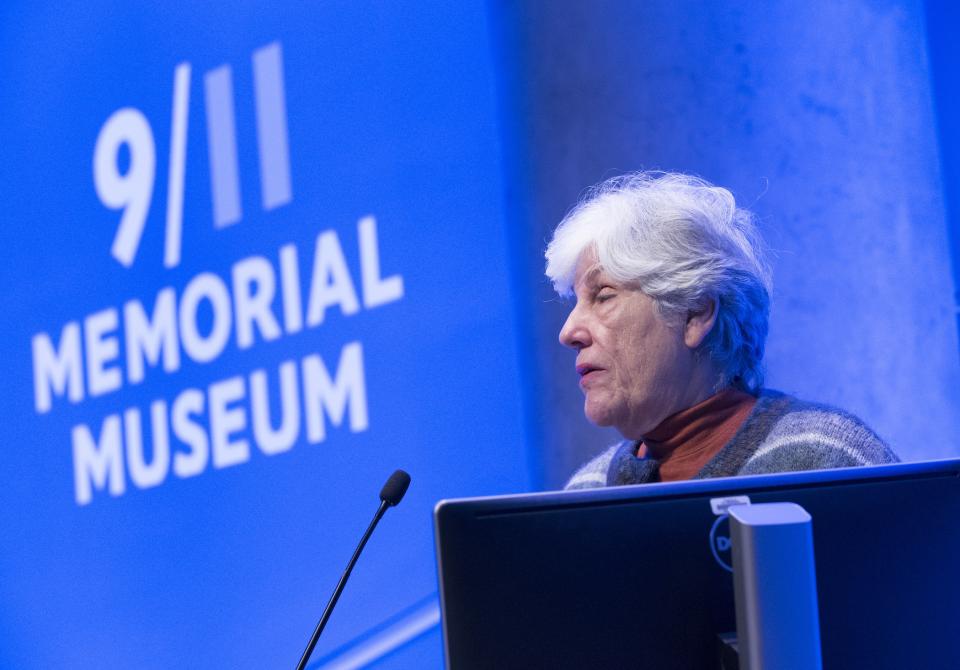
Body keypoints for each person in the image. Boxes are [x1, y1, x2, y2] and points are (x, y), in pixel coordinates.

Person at [545, 171, 898, 490]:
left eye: (603, 296)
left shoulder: (825, 460)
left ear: (695, 313)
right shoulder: (587, 490)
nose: (568, 331)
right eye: (576, 302)